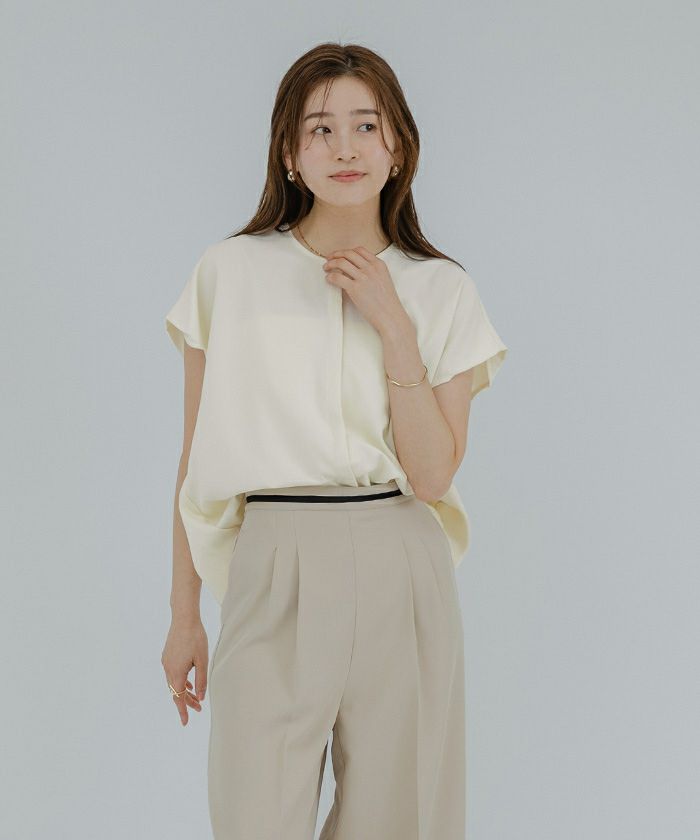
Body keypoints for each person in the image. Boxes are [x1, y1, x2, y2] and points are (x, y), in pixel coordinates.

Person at [161, 41, 508, 840]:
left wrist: (394, 325)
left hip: (401, 556)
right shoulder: (229, 272)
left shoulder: (442, 289)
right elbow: (193, 458)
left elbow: (432, 476)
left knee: (401, 819)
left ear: (399, 147)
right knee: (254, 816)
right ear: (289, 152)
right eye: (320, 129)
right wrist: (185, 617)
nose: (345, 147)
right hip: (272, 556)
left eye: (366, 125)